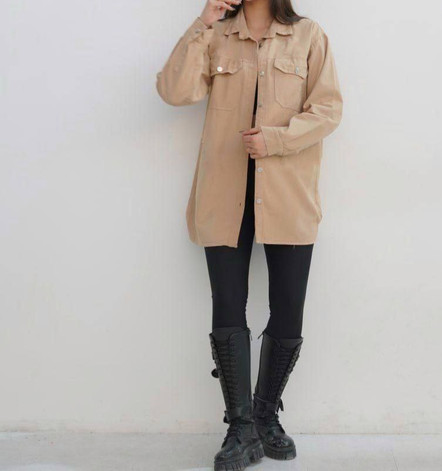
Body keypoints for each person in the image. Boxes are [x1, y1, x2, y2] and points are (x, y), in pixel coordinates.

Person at [156, 0, 342, 469]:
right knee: (227, 307)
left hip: (288, 198)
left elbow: (328, 110)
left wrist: (276, 139)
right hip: (224, 197)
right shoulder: (217, 34)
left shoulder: (309, 36)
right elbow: (174, 91)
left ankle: (265, 417)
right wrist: (202, 23)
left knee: (289, 310)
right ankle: (240, 429)